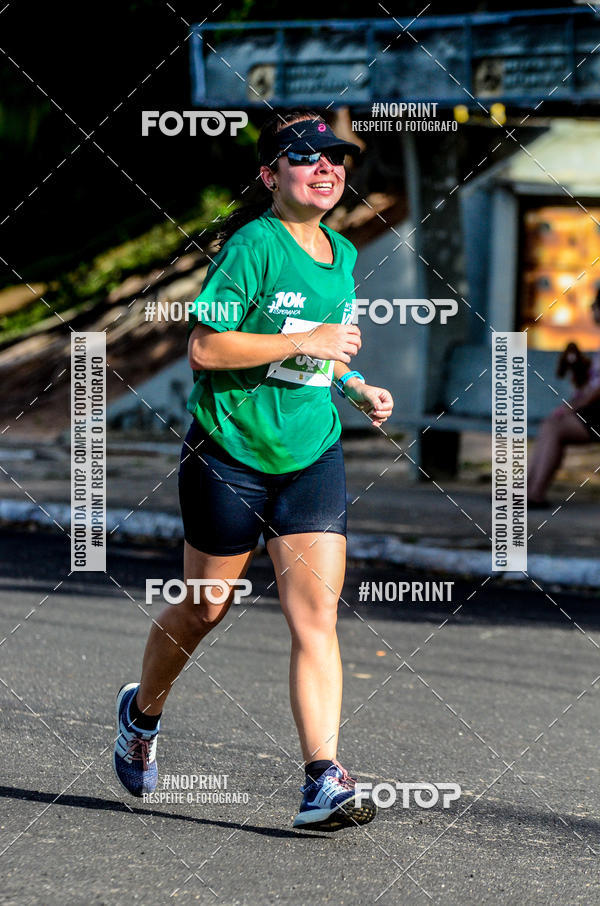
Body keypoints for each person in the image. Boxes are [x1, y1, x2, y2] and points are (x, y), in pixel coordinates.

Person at [112, 109, 394, 831]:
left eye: (335, 159)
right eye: (306, 159)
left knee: (316, 617)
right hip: (230, 454)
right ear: (270, 176)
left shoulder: (341, 254)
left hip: (311, 455)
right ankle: (142, 714)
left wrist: (353, 383)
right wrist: (320, 340)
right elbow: (206, 350)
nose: (326, 168)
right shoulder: (254, 246)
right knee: (207, 606)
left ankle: (321, 780)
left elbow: (311, 346)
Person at [527, 293, 600, 507]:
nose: (592, 309)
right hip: (592, 410)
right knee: (550, 426)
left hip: (596, 412)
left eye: (595, 305)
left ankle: (535, 493)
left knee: (555, 428)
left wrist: (571, 407)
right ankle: (530, 490)